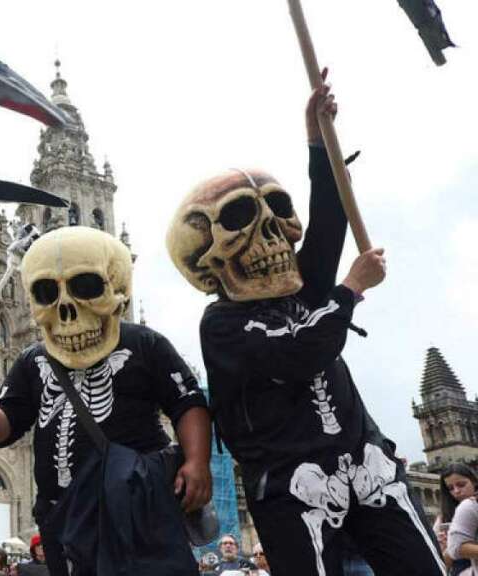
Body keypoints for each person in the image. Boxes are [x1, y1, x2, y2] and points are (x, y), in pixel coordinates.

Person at [166, 70, 442, 576]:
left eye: (277, 218)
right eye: (244, 223)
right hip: (292, 483)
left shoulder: (301, 291)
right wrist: (349, 290)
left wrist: (317, 139)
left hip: (367, 466)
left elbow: (330, 219)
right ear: (206, 261)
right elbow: (296, 352)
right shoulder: (222, 325)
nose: (274, 239)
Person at [0, 226, 211, 575]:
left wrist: (197, 461)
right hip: (63, 515)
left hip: (136, 504)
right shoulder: (33, 359)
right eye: (46, 293)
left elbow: (187, 401)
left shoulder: (143, 343)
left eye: (86, 288)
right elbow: (7, 424)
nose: (66, 309)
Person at [439, 464, 478, 576]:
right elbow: (443, 564)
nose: (456, 491)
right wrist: (445, 547)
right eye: (450, 488)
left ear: (474, 481)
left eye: (461, 485)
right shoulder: (443, 517)